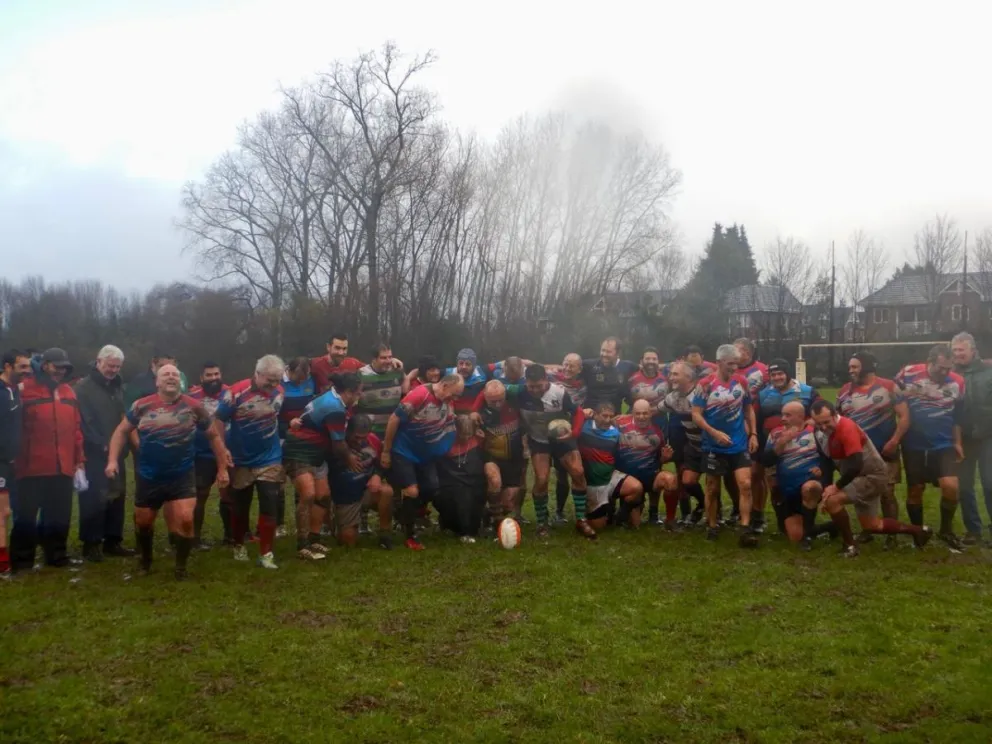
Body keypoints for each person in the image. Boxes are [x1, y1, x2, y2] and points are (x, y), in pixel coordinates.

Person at [106, 365, 230, 579]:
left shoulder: (194, 407)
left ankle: (180, 568)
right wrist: (112, 461)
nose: (171, 377)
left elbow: (213, 437)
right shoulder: (141, 406)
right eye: (166, 374)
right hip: (149, 475)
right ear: (157, 382)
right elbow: (121, 431)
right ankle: (145, 562)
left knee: (185, 519)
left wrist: (222, 468)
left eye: (175, 374)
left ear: (180, 381)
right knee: (144, 522)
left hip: (181, 475)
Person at [811, 399, 933, 557]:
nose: (822, 427)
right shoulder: (821, 431)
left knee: (833, 500)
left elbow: (855, 464)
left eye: (826, 422)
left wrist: (835, 487)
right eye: (818, 423)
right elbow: (827, 462)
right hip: (860, 476)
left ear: (835, 414)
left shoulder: (846, 427)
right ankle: (919, 531)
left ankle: (850, 546)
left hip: (871, 476)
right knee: (872, 525)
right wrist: (826, 487)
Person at [10, 348, 85, 572]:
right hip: (29, 467)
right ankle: (22, 560)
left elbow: (76, 429)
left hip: (62, 466)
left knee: (59, 514)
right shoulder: (23, 391)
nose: (60, 371)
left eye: (64, 368)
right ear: (44, 365)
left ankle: (56, 555)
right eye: (56, 366)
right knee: (25, 516)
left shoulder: (69, 393)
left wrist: (79, 459)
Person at [502, 365, 593, 539]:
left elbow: (579, 413)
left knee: (578, 472)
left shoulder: (559, 392)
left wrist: (573, 433)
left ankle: (581, 519)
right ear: (525, 382)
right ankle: (542, 523)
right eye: (531, 386)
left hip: (562, 438)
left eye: (538, 385)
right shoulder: (518, 391)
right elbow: (491, 389)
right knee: (542, 479)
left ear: (546, 379)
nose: (534, 390)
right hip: (539, 440)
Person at [214, 355, 286, 569]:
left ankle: (266, 553)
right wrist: (222, 449)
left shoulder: (280, 393)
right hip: (241, 458)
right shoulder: (235, 393)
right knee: (240, 506)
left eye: (277, 380)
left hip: (270, 457)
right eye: (269, 380)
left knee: (269, 503)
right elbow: (218, 420)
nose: (273, 385)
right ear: (257, 374)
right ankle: (238, 544)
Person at [895, 345, 966, 552]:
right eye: (940, 368)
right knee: (915, 490)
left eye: (948, 368)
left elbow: (958, 417)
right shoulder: (908, 373)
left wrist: (958, 442)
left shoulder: (958, 382)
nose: (944, 373)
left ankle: (946, 530)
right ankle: (919, 531)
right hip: (914, 444)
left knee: (951, 486)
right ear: (930, 361)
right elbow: (896, 399)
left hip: (942, 443)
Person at [836, 351, 910, 549]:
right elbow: (838, 421)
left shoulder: (889, 387)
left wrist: (894, 441)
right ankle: (868, 529)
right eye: (850, 367)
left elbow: (904, 417)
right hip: (859, 453)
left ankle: (891, 535)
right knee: (863, 492)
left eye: (855, 366)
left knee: (887, 492)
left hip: (885, 449)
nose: (850, 370)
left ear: (867, 367)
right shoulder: (844, 391)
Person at [381, 374, 463, 550]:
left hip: (425, 454)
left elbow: (448, 424)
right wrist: (386, 451)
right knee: (412, 491)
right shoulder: (420, 395)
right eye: (454, 394)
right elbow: (394, 419)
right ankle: (410, 535)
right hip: (404, 450)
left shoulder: (447, 402)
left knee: (432, 487)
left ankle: (404, 514)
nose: (455, 399)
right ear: (445, 385)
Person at [691, 344, 759, 546]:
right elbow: (695, 414)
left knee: (745, 484)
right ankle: (712, 525)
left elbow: (748, 409)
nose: (734, 368)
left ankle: (745, 528)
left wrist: (753, 434)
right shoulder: (705, 384)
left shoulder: (742, 382)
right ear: (719, 362)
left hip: (738, 442)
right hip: (713, 445)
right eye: (730, 364)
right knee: (712, 488)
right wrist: (714, 432)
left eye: (736, 364)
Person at [73, 344, 134, 562]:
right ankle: (91, 543)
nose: (113, 370)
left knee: (117, 495)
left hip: (118, 452)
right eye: (110, 366)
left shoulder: (118, 386)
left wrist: (122, 445)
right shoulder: (84, 388)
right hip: (94, 453)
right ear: (99, 362)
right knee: (94, 498)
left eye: (117, 367)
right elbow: (83, 421)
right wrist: (102, 444)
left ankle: (112, 540)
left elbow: (123, 416)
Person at [754, 359, 819, 534]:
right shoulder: (763, 394)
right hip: (773, 446)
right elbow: (756, 419)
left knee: (804, 485)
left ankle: (806, 521)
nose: (777, 377)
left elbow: (819, 411)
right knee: (774, 486)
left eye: (780, 373)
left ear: (788, 373)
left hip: (803, 448)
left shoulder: (806, 391)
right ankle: (783, 522)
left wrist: (805, 428)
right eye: (773, 374)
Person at [761, 401, 834, 550]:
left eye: (788, 415)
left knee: (810, 488)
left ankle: (807, 537)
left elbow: (830, 459)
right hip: (787, 489)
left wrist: (822, 471)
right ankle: (832, 527)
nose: (783, 418)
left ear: (801, 416)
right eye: (782, 414)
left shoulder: (815, 432)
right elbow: (766, 462)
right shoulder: (775, 434)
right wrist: (782, 442)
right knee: (794, 536)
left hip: (810, 485)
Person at [279, 357, 330, 561]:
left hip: (313, 442)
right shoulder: (279, 384)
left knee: (321, 495)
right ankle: (300, 540)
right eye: (297, 378)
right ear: (288, 371)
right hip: (288, 441)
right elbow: (270, 414)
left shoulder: (312, 380)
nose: (301, 382)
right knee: (303, 493)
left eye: (304, 378)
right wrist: (286, 423)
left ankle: (313, 536)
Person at [950, 332, 992, 545]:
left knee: (990, 482)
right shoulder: (950, 375)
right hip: (962, 438)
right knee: (964, 485)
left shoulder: (989, 371)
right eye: (955, 350)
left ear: (973, 351)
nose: (957, 354)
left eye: (961, 350)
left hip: (988, 436)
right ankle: (973, 530)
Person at [575, 401, 643, 531]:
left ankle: (619, 517)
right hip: (593, 485)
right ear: (595, 415)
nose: (607, 420)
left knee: (636, 488)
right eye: (604, 416)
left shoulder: (615, 433)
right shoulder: (583, 427)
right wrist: (582, 413)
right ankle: (589, 513)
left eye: (610, 416)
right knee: (598, 527)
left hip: (610, 477)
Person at [328, 414, 394, 549]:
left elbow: (381, 463)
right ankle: (338, 522)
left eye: (364, 437)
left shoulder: (373, 440)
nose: (360, 441)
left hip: (366, 490)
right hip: (345, 497)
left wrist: (376, 475)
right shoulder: (336, 445)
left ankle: (384, 535)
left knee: (386, 491)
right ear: (348, 431)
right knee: (348, 542)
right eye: (357, 437)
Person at [188, 361, 232, 548]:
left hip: (227, 451)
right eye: (209, 375)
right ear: (201, 378)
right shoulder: (192, 397)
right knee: (200, 495)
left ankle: (231, 536)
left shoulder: (231, 394)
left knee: (229, 494)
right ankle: (194, 537)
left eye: (216, 374)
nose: (213, 378)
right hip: (202, 453)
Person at [615, 399, 678, 529]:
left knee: (670, 480)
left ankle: (670, 520)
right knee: (635, 525)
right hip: (629, 479)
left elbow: (659, 459)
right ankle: (622, 512)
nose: (641, 417)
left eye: (645, 413)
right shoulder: (620, 424)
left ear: (651, 414)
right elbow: (603, 421)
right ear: (632, 413)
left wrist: (665, 458)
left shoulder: (657, 432)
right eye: (637, 413)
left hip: (649, 476)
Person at [472, 380, 525, 532]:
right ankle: (498, 525)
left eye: (500, 400)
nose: (496, 404)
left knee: (508, 503)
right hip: (491, 456)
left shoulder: (514, 401)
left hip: (514, 458)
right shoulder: (479, 411)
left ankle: (487, 514)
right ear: (485, 397)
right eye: (492, 401)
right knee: (494, 481)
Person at [659, 361, 705, 525]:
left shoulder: (702, 394)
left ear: (689, 376)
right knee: (687, 481)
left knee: (716, 482)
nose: (671, 378)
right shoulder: (673, 397)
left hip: (713, 445)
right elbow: (656, 409)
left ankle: (719, 515)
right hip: (694, 445)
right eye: (670, 374)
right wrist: (634, 416)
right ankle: (704, 503)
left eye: (675, 374)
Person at [628, 347, 669, 524]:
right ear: (642, 361)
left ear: (658, 361)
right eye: (648, 358)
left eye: (654, 359)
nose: (651, 362)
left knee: (657, 465)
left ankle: (653, 512)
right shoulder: (632, 379)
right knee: (635, 461)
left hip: (659, 424)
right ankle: (637, 501)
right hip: (636, 424)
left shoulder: (667, 379)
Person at [0, 349, 30, 578]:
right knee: (1, 512)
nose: (27, 372)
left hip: (11, 461)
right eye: (22, 367)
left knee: (7, 511)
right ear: (8, 366)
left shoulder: (14, 390)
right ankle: (2, 565)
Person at [436, 415, 486, 543]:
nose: (466, 437)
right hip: (451, 481)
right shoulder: (445, 443)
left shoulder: (478, 441)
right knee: (462, 496)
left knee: (478, 493)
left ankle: (475, 527)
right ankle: (462, 531)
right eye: (463, 434)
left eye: (469, 434)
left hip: (474, 479)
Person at [548, 353, 586, 523]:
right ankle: (559, 511)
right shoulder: (551, 380)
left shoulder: (584, 387)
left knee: (577, 471)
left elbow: (583, 408)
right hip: (552, 434)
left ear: (580, 369)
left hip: (574, 433)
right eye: (566, 364)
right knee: (561, 474)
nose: (568, 369)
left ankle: (583, 512)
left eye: (572, 366)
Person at [357, 343, 405, 437]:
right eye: (383, 358)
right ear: (374, 359)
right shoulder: (362, 374)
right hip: (370, 432)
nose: (388, 361)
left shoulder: (397, 371)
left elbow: (406, 392)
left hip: (393, 431)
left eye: (390, 357)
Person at [581, 336, 638, 412]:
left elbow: (646, 368)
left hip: (613, 417)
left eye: (608, 352)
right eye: (602, 350)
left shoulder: (628, 366)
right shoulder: (589, 365)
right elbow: (570, 365)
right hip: (590, 415)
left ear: (618, 353)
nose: (604, 354)